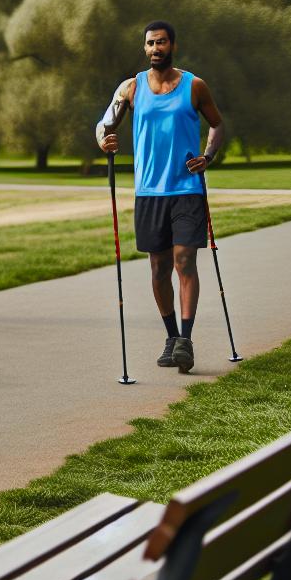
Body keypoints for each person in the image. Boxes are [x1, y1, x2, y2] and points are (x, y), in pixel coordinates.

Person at [96, 20, 224, 373]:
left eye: (162, 42)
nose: (156, 49)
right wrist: (103, 140)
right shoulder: (131, 88)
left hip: (186, 188)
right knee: (158, 268)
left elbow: (216, 124)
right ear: (145, 48)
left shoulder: (194, 86)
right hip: (149, 191)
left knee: (185, 261)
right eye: (151, 43)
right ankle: (171, 337)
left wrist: (208, 155)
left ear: (173, 46)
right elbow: (104, 123)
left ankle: (186, 339)